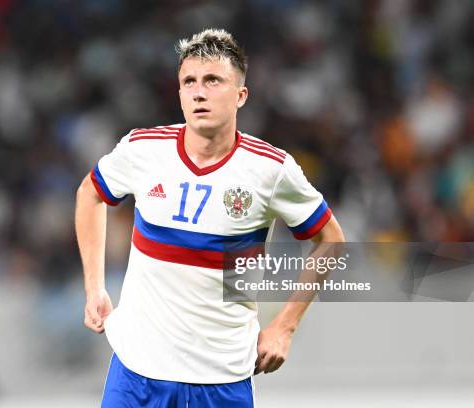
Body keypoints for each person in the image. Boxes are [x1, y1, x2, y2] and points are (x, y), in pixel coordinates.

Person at [75, 28, 345, 407]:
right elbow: (90, 193)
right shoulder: (143, 150)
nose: (198, 91)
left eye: (213, 80)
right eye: (189, 82)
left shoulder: (270, 170)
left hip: (221, 377)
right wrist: (94, 285)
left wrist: (284, 327)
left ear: (241, 95)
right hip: (137, 372)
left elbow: (331, 240)